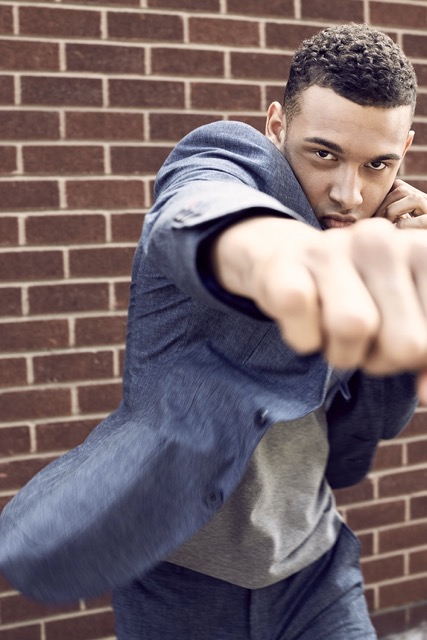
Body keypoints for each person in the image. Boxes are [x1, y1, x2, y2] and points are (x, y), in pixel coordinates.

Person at [1, 22, 427, 640]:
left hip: (316, 572)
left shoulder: (382, 243)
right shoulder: (229, 160)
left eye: (377, 164)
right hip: (179, 584)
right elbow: (196, 206)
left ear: (404, 150)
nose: (349, 194)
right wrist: (277, 251)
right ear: (276, 125)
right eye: (324, 154)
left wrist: (407, 296)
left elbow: (374, 420)